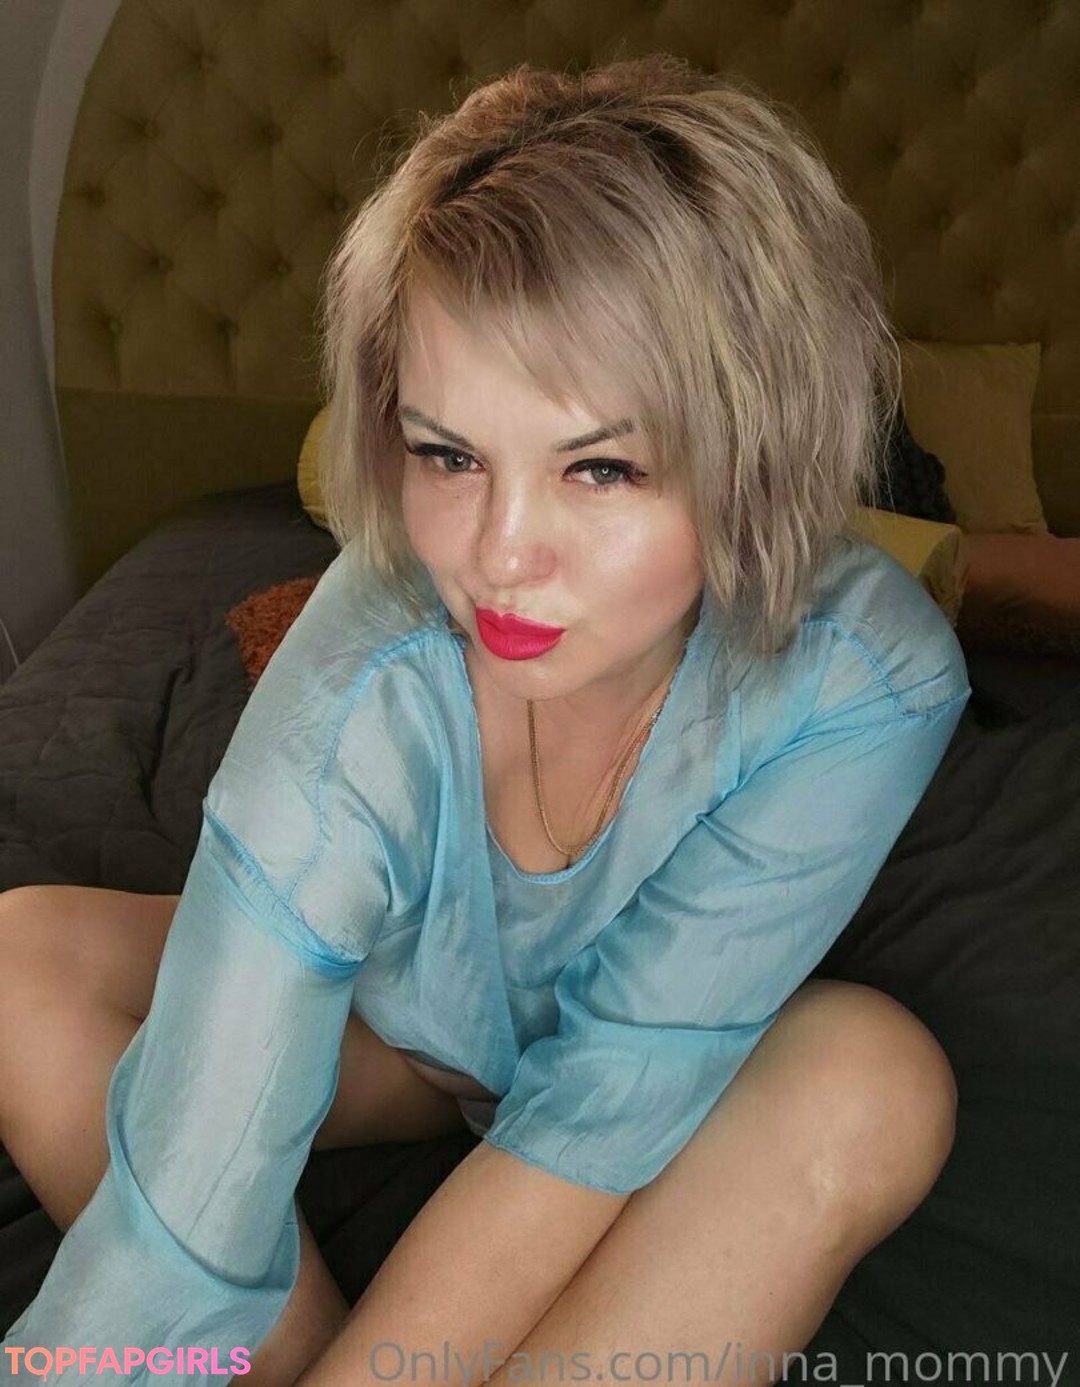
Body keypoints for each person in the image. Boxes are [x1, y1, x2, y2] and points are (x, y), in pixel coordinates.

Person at [0, 53, 970, 1387]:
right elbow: (190, 1170)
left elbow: (603, 1105)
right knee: (17, 954)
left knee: (874, 1077)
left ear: (762, 449)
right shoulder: (360, 666)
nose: (501, 558)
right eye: (448, 454)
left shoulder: (866, 676)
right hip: (405, 1035)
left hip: (668, 1071)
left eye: (601, 468)